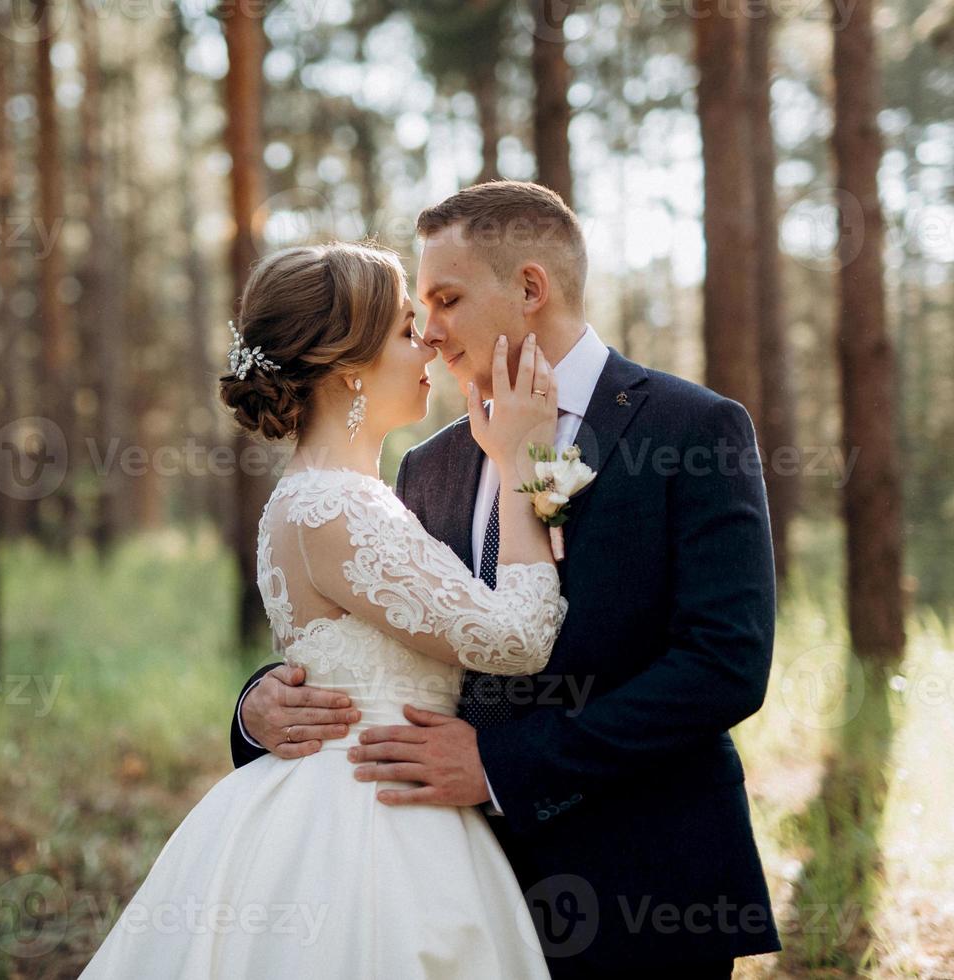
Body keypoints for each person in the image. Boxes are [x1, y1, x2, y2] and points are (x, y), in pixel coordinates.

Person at [233, 182, 782, 978]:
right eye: (417, 311)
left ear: (530, 287)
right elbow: (383, 634)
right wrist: (259, 704)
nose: (429, 332)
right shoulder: (429, 462)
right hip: (446, 880)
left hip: (641, 881)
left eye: (446, 299)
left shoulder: (691, 429)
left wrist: (501, 769)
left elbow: (724, 665)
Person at [81, 239, 566, 978]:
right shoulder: (333, 505)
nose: (429, 344)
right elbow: (520, 637)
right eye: (407, 331)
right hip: (369, 822)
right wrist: (521, 463)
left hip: (377, 795)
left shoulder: (342, 497)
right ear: (349, 373)